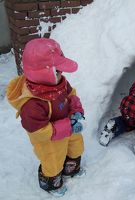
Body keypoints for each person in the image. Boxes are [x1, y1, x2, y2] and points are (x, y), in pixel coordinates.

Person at [6, 38, 85, 197]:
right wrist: (68, 126)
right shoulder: (32, 104)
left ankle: (71, 168)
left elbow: (71, 95)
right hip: (49, 140)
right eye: (56, 70)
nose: (61, 73)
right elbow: (38, 131)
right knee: (53, 161)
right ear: (42, 73)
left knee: (76, 147)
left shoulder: (60, 83)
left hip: (69, 127)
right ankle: (51, 183)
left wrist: (76, 111)